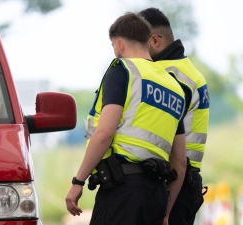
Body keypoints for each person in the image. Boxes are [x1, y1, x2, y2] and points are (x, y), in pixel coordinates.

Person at [65, 12, 187, 225]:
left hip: (123, 191)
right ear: (147, 43)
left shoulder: (123, 71)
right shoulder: (175, 88)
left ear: (120, 43)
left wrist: (78, 181)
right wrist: (165, 213)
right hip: (157, 194)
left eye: (113, 45)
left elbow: (104, 133)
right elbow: (180, 162)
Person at [139, 7, 210, 225]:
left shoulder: (166, 75)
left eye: (139, 43)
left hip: (172, 181)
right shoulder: (190, 72)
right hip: (187, 180)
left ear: (154, 40)